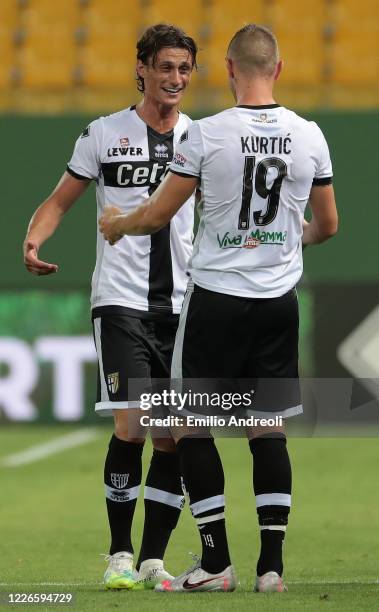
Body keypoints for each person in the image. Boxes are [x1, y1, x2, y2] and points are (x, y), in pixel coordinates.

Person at [99, 23, 338, 593]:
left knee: (186, 424)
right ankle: (272, 570)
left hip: (215, 301)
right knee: (266, 427)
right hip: (278, 302)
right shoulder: (310, 135)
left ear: (229, 70)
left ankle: (215, 564)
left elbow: (157, 215)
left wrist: (118, 224)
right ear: (277, 69)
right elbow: (327, 226)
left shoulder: (204, 135)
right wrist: (281, 237)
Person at [23, 24, 198, 590]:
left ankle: (152, 559)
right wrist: (35, 238)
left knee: (172, 433)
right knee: (134, 422)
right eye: (166, 67)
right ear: (141, 67)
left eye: (184, 69)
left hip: (185, 304)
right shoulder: (102, 134)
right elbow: (60, 200)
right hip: (120, 301)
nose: (175, 79)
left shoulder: (202, 137)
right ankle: (119, 553)